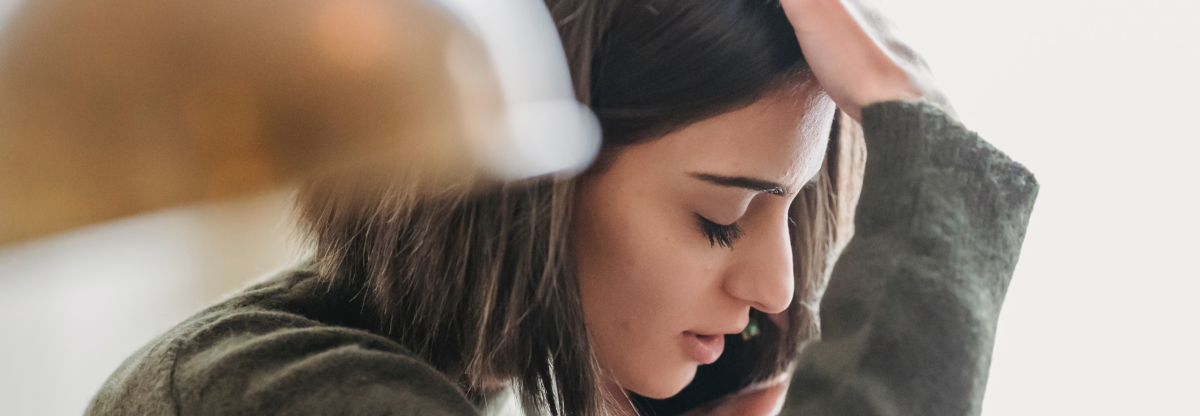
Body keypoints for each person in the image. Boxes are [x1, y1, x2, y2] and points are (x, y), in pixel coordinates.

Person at [86, 1, 1037, 416]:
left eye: (788, 210)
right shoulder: (269, 398)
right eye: (718, 218)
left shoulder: (476, 372)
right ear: (527, 189)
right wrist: (935, 177)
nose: (779, 286)